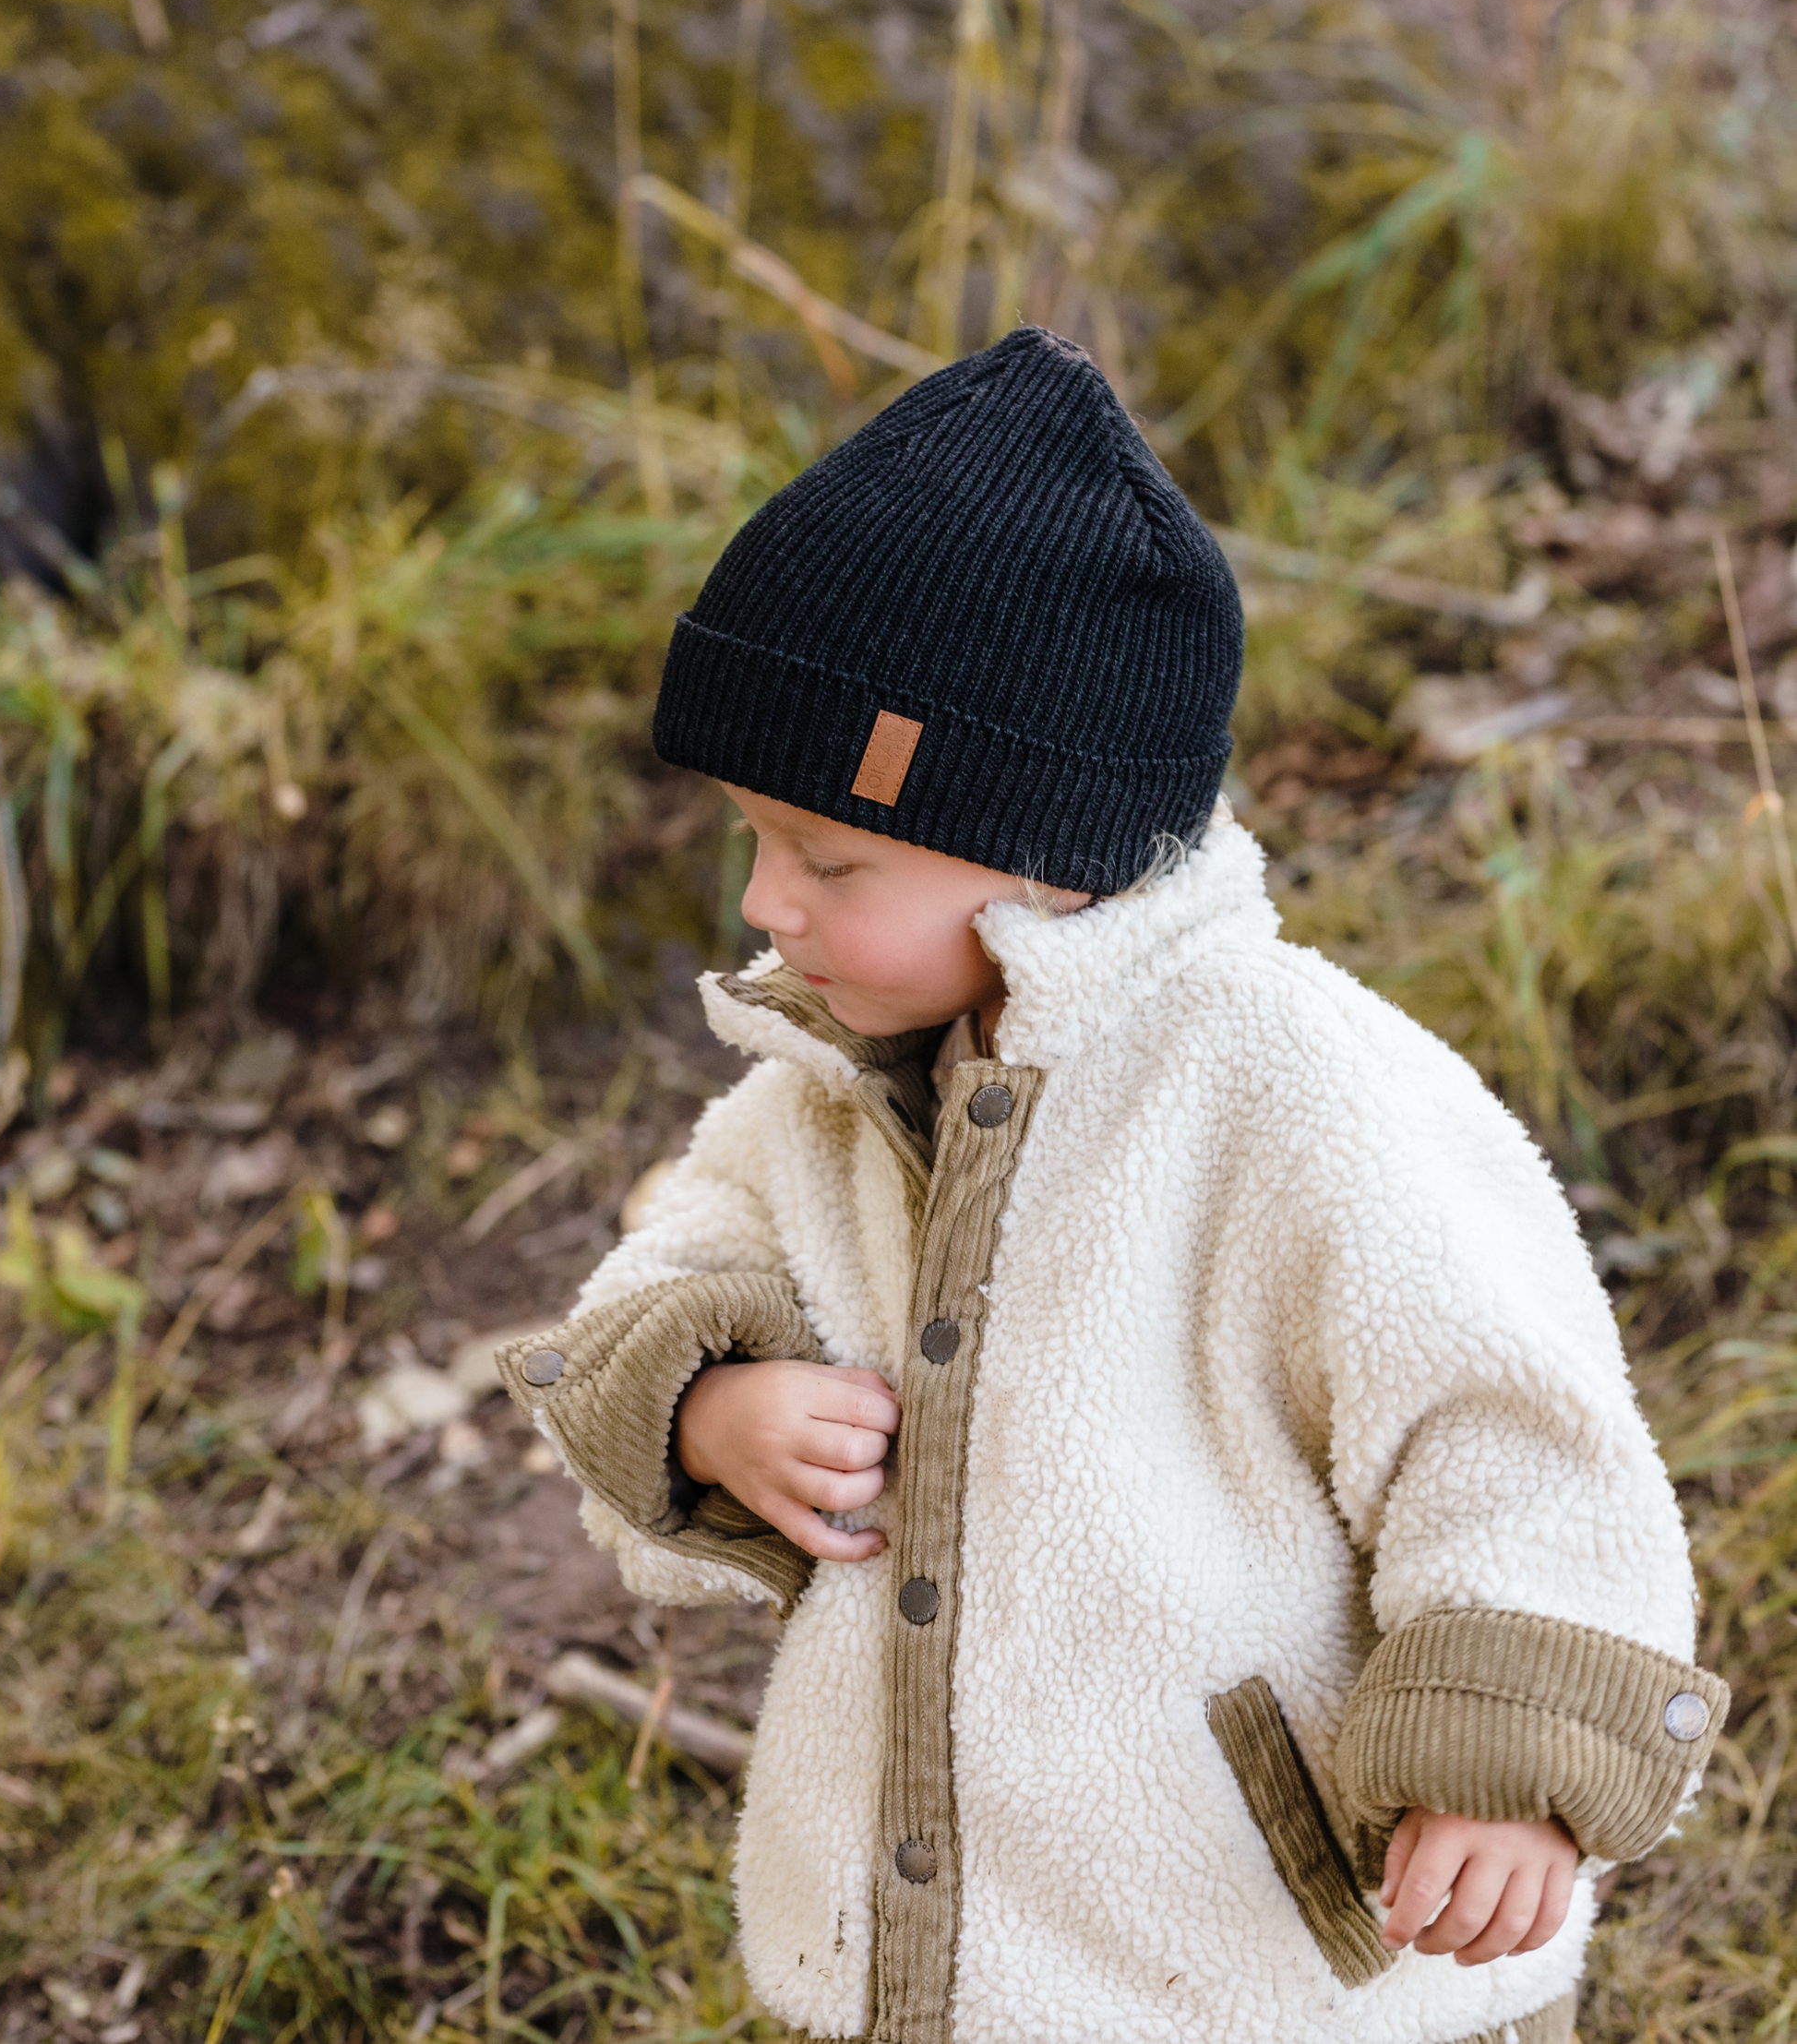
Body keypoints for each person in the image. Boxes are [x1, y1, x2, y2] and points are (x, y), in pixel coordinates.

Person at [497, 328, 1724, 2044]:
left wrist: (1505, 1765)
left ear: (1046, 852)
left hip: (1254, 1941)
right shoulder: (836, 1085)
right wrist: (709, 1403)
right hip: (953, 1928)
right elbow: (684, 1242)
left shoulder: (1296, 1093)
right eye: (753, 844)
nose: (768, 903)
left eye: (828, 857)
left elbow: (1506, 1421)